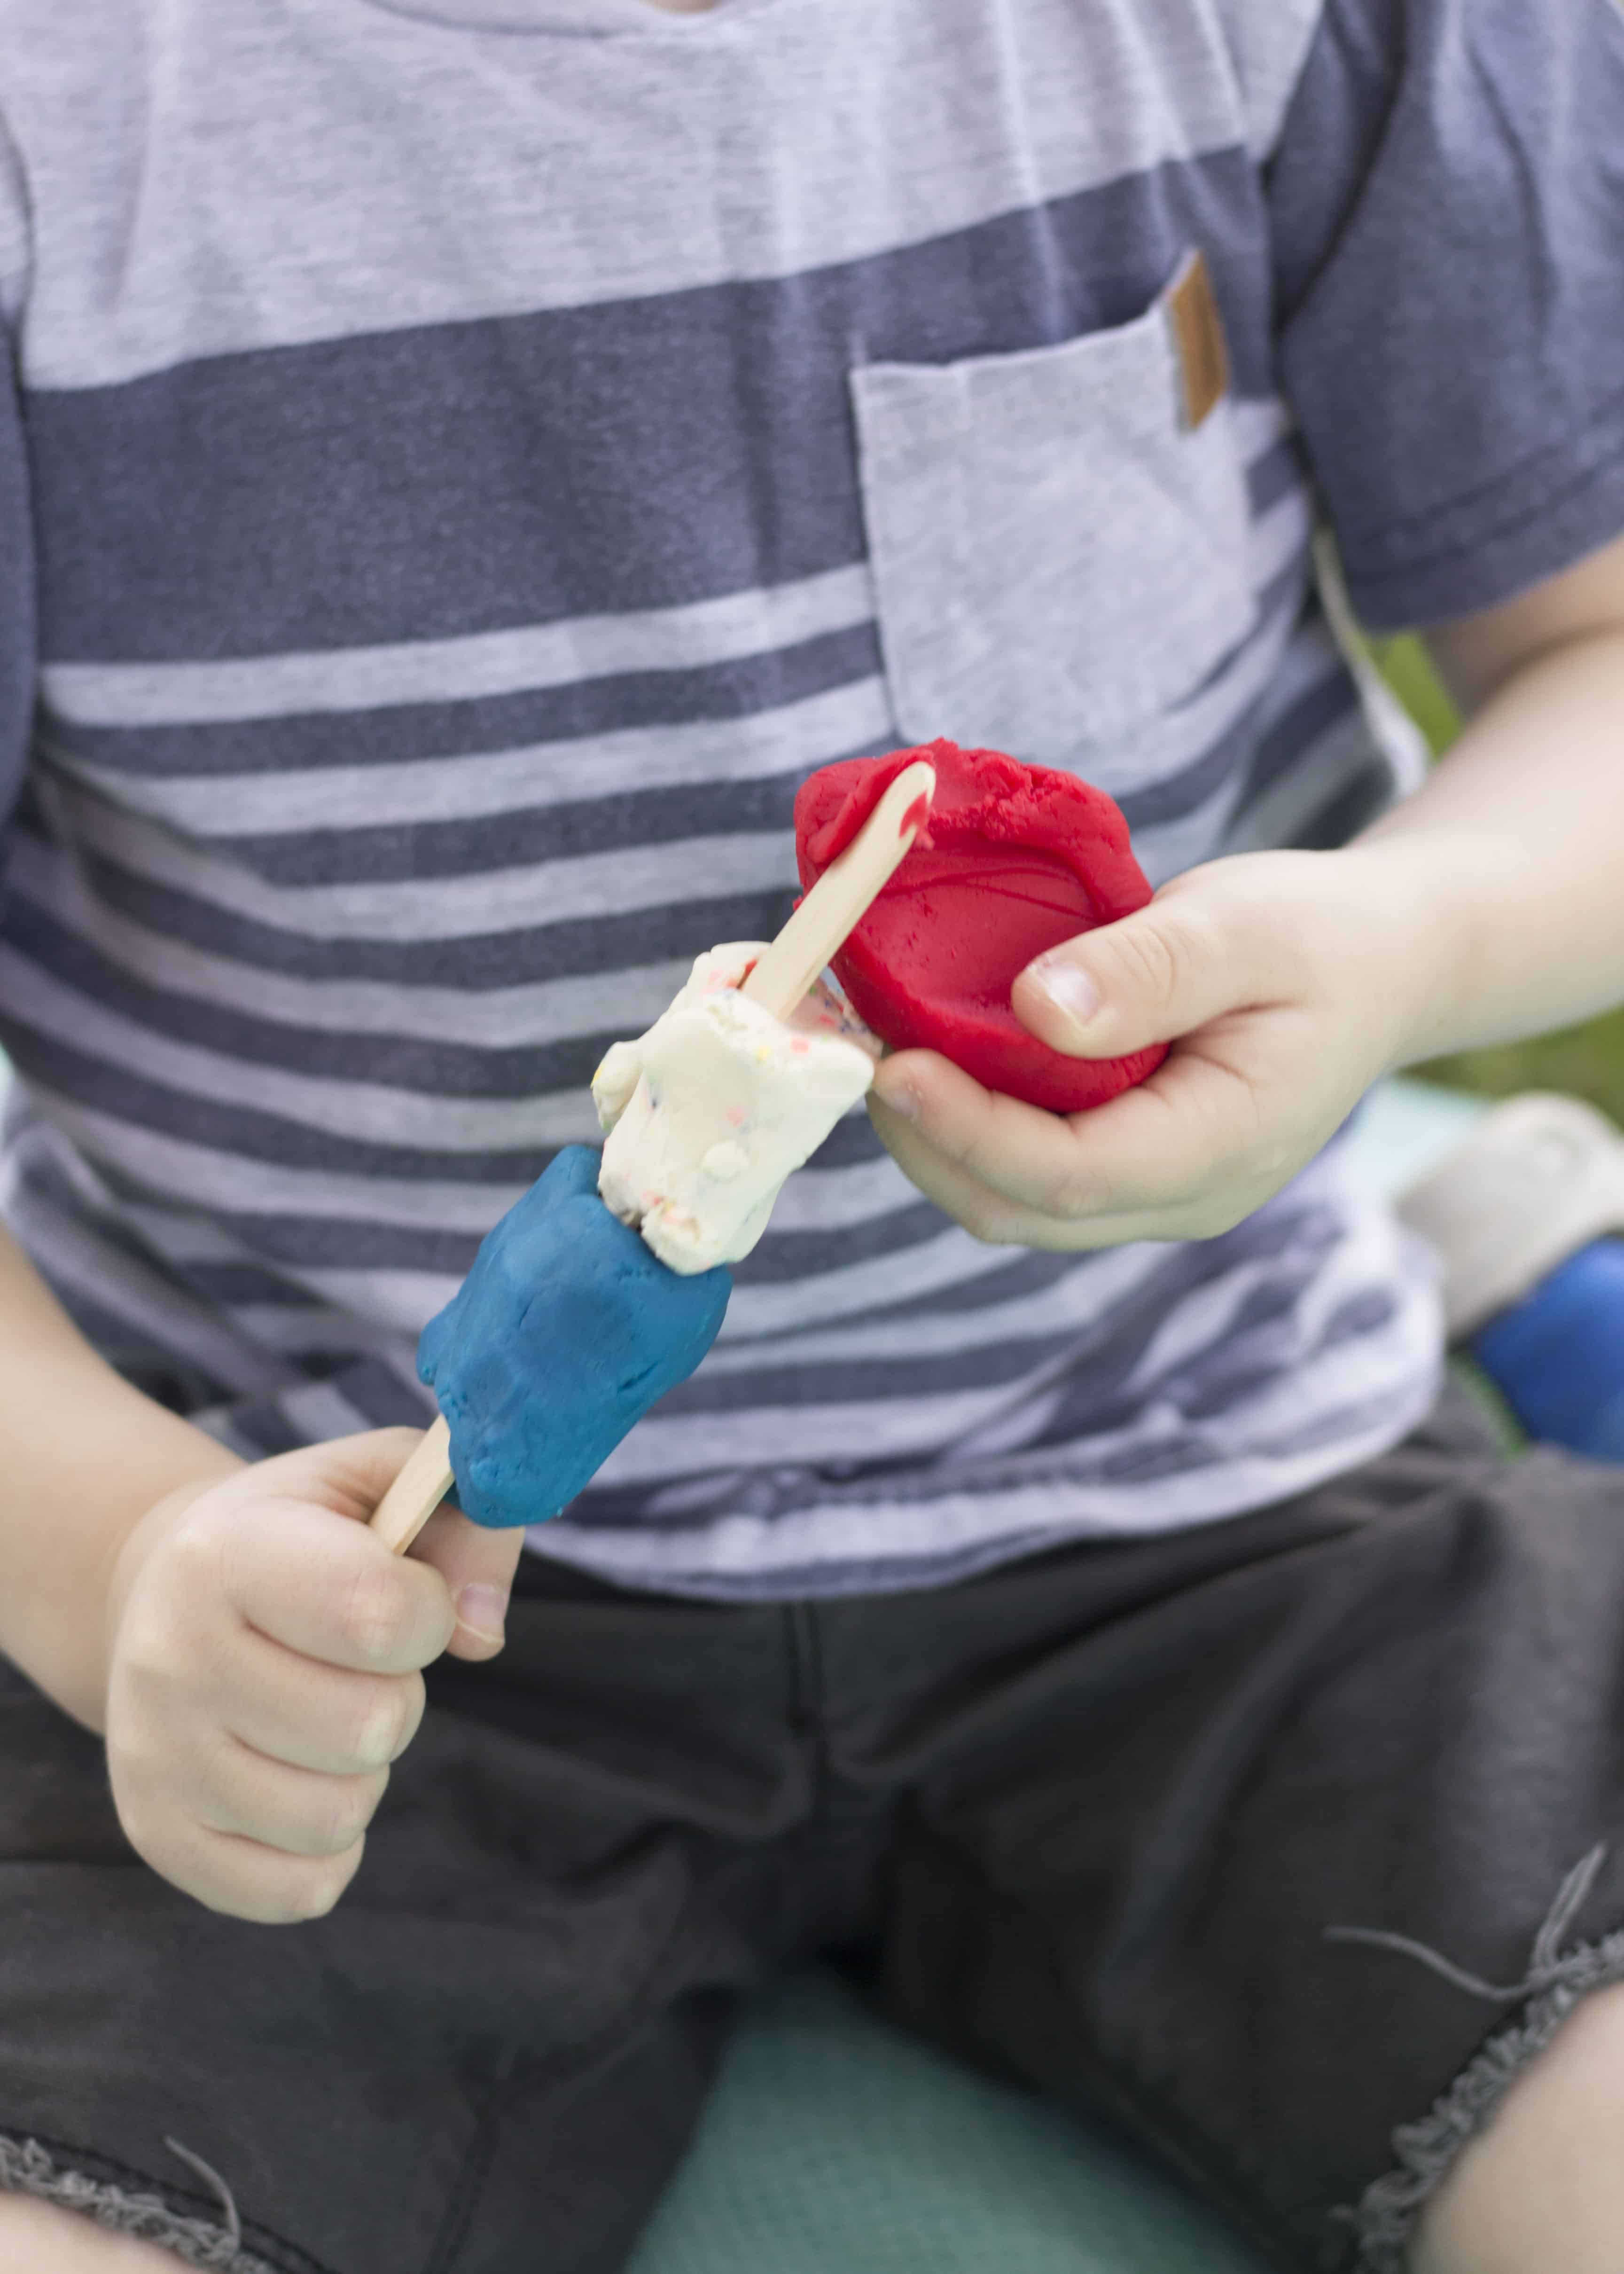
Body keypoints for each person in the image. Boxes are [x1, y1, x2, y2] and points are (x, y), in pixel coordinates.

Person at [0, 0, 1621, 2266]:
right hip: (321, 1573)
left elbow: (1597, 647)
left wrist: (1406, 942)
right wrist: (109, 1560)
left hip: (1229, 1511)